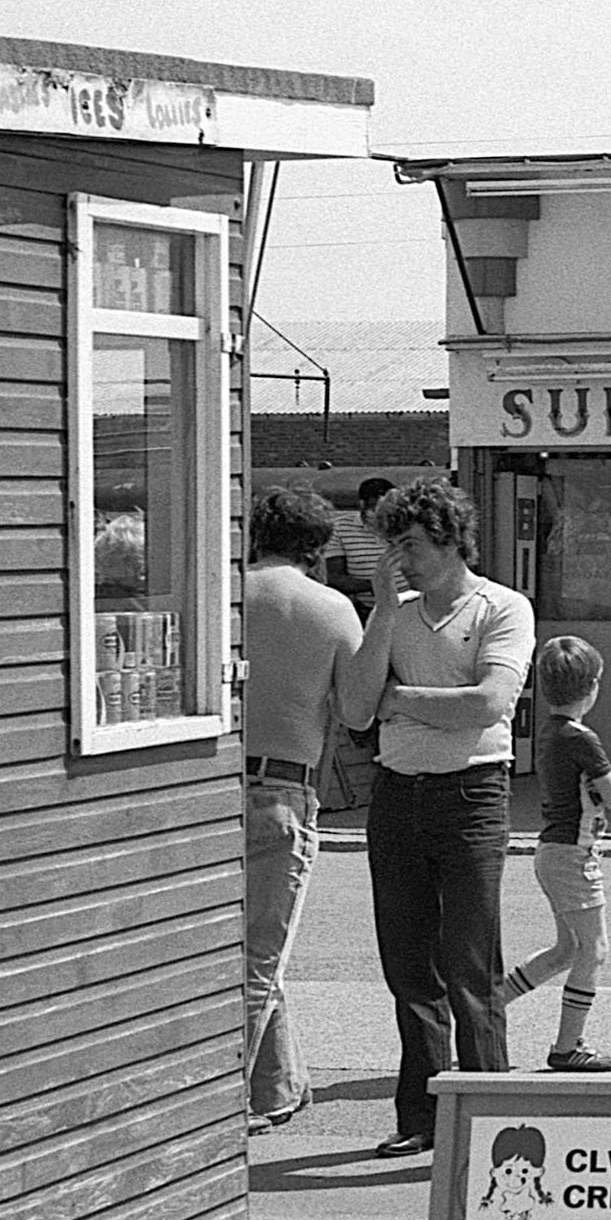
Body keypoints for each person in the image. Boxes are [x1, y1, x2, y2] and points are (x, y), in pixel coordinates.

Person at [356, 475, 535, 1158]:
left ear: (448, 538)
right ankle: (423, 1116)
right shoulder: (393, 615)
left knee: (469, 963)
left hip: (472, 794)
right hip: (398, 793)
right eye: (391, 543)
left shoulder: (502, 607)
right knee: (409, 967)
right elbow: (353, 709)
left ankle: (493, 1118)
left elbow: (488, 702)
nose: (400, 556)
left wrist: (399, 698)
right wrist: (377, 612)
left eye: (409, 542)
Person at [242, 486, 366, 1135]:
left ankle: (278, 1085)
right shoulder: (332, 608)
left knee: (255, 944)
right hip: (284, 790)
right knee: (262, 951)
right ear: (317, 548)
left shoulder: (227, 593)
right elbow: (360, 711)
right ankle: (227, 1099)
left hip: (211, 790)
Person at [503, 636, 611, 1073]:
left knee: (565, 950)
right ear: (592, 687)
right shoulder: (583, 738)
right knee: (593, 949)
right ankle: (567, 1046)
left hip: (552, 850)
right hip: (573, 855)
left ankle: (487, 1010)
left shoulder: (550, 733)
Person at [326, 476, 394, 617]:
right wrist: (374, 585)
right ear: (363, 504)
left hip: (408, 606)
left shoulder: (405, 524)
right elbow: (334, 576)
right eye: (377, 510)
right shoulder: (340, 528)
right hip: (364, 611)